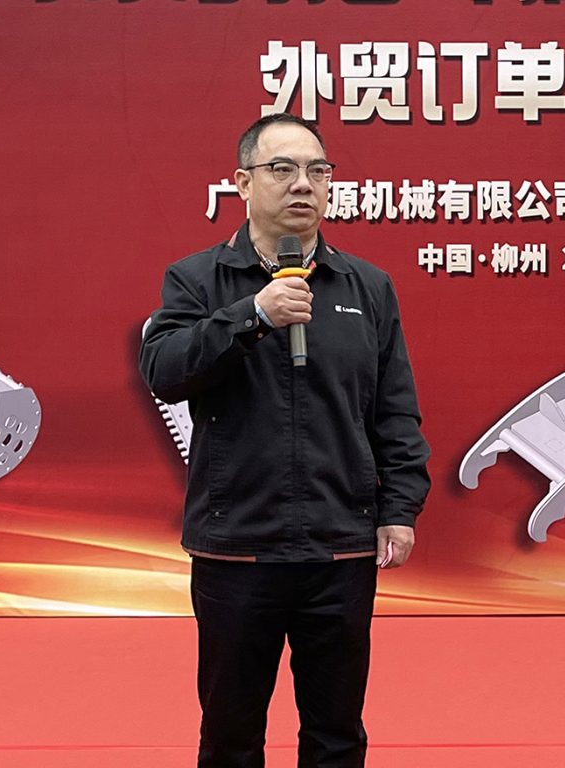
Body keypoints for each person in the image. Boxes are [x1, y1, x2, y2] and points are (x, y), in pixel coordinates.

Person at [139, 112, 431, 768]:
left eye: (317, 170)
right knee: (231, 735)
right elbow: (165, 370)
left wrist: (400, 507)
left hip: (340, 547)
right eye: (282, 169)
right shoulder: (197, 279)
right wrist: (252, 315)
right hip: (237, 547)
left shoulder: (366, 287)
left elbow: (394, 409)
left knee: (336, 735)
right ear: (243, 183)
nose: (303, 183)